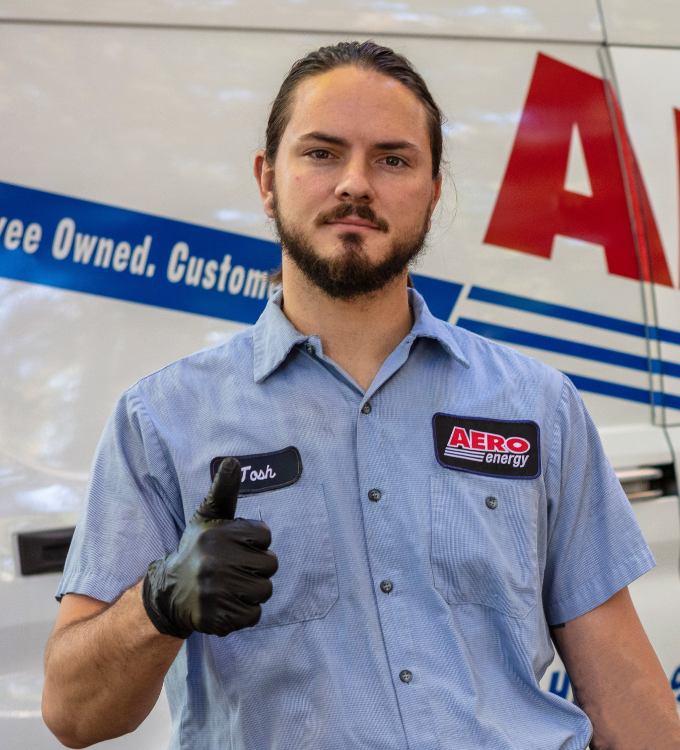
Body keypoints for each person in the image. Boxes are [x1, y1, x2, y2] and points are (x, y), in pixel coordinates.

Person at [42, 41, 680, 750]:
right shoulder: (160, 420)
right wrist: (157, 604)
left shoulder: (536, 406)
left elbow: (628, 699)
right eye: (321, 153)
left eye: (393, 159)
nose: (355, 183)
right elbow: (73, 713)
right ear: (266, 180)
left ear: (435, 193)